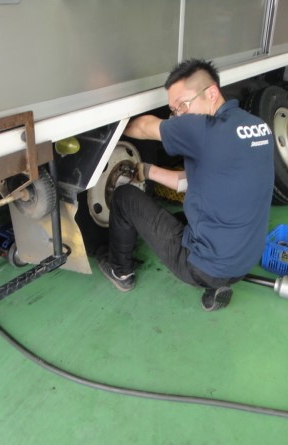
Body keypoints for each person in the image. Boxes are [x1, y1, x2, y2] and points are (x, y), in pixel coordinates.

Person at [97, 58, 274, 311]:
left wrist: (111, 123)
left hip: (202, 267)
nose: (179, 116)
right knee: (185, 215)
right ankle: (218, 283)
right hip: (246, 260)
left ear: (212, 93)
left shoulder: (202, 129)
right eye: (174, 110)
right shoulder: (258, 127)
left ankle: (120, 271)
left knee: (125, 196)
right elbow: (199, 181)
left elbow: (143, 128)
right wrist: (148, 171)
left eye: (182, 106)